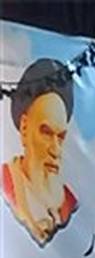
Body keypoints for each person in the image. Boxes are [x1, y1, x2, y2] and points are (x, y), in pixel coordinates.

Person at [3, 58, 77, 246]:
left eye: (61, 137)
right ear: (25, 128)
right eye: (46, 133)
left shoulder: (68, 203)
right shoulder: (5, 181)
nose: (55, 150)